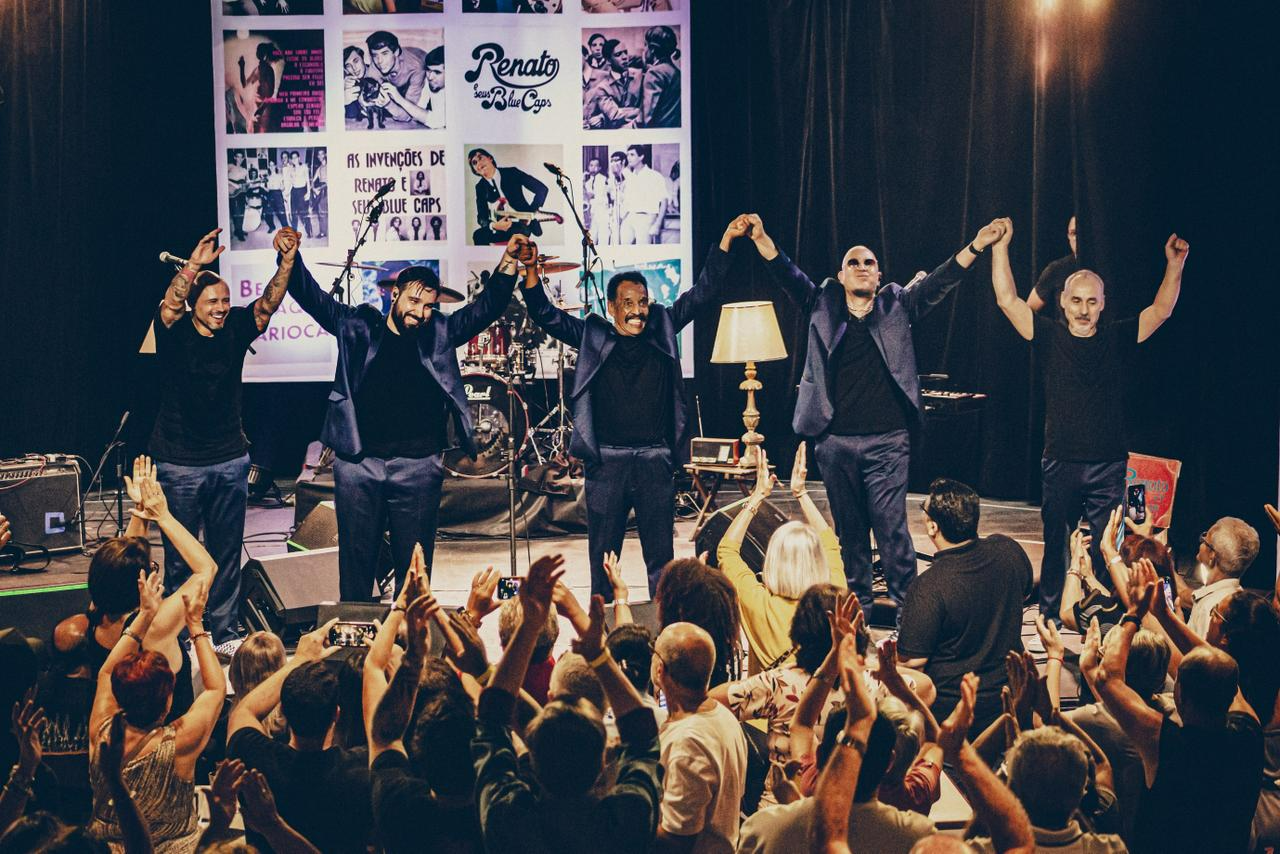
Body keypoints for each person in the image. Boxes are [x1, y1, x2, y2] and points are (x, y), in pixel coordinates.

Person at [747, 214, 1006, 616]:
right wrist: (761, 237)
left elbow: (940, 281)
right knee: (850, 535)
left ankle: (910, 614)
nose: (862, 267)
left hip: (887, 442)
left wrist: (976, 244)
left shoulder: (896, 305)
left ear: (879, 274)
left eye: (869, 262)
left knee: (891, 530)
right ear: (841, 275)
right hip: (835, 442)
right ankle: (858, 617)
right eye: (853, 262)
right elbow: (785, 272)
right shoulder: (822, 304)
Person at [284, 231, 526, 600]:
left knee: (414, 570)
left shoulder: (440, 331)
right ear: (394, 294)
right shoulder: (360, 326)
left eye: (428, 305)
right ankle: (357, 631)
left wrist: (508, 262)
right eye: (414, 301)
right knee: (356, 563)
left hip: (417, 466)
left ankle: (411, 630)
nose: (420, 312)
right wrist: (290, 259)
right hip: (360, 464)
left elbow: (486, 308)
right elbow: (314, 300)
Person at [519, 217, 741, 598]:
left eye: (642, 302)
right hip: (607, 463)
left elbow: (704, 292)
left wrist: (725, 240)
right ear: (612, 307)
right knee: (603, 561)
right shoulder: (593, 335)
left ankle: (665, 618)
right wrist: (529, 271)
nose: (638, 311)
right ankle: (601, 624)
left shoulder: (663, 326)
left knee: (662, 560)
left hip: (655, 460)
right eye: (628, 304)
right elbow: (546, 315)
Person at [989, 217, 1189, 618]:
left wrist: (1175, 265)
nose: (1083, 310)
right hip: (1060, 459)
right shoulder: (1048, 336)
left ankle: (1101, 611)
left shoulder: (1115, 338)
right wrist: (1000, 247)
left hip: (1107, 463)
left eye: (1092, 301)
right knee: (1056, 543)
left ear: (1103, 303)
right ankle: (1049, 614)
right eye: (1077, 301)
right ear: (1063, 301)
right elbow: (1007, 300)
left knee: (1105, 545)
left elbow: (1161, 310)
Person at [149, 227, 297, 650]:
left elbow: (267, 304)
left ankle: (225, 633)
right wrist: (194, 266)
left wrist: (286, 262)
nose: (221, 308)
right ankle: (179, 636)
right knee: (181, 557)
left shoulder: (235, 327)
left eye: (225, 301)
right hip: (179, 461)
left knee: (226, 554)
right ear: (194, 304)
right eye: (212, 301)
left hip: (229, 458)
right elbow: (170, 305)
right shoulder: (175, 330)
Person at [472, 555, 665, 854]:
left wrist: (528, 626)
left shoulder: (507, 820)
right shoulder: (629, 820)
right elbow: (643, 738)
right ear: (603, 760)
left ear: (531, 760)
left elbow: (491, 725)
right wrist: (599, 655)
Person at [1081, 575, 1263, 854]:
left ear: (1180, 696)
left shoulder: (1165, 742)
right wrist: (1163, 614)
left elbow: (1107, 679)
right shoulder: (1249, 731)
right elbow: (1218, 662)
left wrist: (1134, 614)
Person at [86, 570, 224, 852]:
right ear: (167, 701)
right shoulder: (180, 742)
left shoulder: (101, 732)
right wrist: (195, 625)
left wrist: (146, 615)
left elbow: (106, 672)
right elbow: (215, 689)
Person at [896, 478, 1033, 732]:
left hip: (955, 716)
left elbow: (911, 664)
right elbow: (1025, 592)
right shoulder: (1009, 551)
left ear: (933, 526)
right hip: (1010, 701)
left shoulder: (928, 587)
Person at [227, 619, 374, 853]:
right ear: (336, 714)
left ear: (283, 709)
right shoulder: (363, 772)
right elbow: (389, 736)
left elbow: (244, 711)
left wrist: (299, 660)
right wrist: (388, 663)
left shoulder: (258, 765)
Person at [717, 445, 846, 672]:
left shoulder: (758, 602)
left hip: (771, 694)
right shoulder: (835, 595)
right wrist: (801, 493)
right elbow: (830, 544)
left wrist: (757, 497)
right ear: (818, 561)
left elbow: (727, 550)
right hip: (824, 691)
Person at [1065, 626, 1172, 844]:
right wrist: (1090, 669)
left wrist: (1054, 657)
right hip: (1162, 832)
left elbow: (1046, 719)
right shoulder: (1172, 711)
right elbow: (1125, 707)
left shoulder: (1089, 719)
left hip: (1114, 835)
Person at [652, 621, 748, 853]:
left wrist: (622, 817)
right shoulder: (723, 715)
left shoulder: (688, 742)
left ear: (660, 669)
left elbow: (677, 841)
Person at [970, 727, 1126, 853]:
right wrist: (1057, 718)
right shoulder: (1110, 849)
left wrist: (998, 791)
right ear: (1080, 793)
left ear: (1012, 791)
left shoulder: (983, 850)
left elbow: (970, 761)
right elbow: (1101, 765)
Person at [1186, 516, 1259, 639]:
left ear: (1212, 556)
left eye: (1205, 540)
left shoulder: (1211, 611)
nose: (1201, 541)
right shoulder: (1235, 598)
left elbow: (1197, 651)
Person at [468, 148, 549, 245]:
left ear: (490, 158)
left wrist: (530, 213)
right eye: (474, 163)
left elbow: (541, 189)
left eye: (480, 158)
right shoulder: (480, 187)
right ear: (475, 171)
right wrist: (494, 225)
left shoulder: (512, 172)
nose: (479, 163)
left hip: (521, 225)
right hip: (498, 226)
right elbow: (482, 216)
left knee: (519, 231)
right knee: (478, 235)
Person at [365, 31, 427, 126]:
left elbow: (407, 116)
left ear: (396, 52)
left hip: (423, 72)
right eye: (375, 55)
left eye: (385, 53)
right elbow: (366, 93)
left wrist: (389, 105)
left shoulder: (416, 68)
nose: (379, 61)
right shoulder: (376, 64)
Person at [1026, 215, 1081, 318]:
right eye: (1074, 233)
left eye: (1081, 234)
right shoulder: (1057, 268)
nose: (1077, 239)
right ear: (1068, 236)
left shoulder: (1105, 267)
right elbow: (1028, 310)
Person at [381, 44, 445, 129]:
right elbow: (416, 112)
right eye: (428, 70)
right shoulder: (430, 82)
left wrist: (398, 98)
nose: (430, 77)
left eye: (437, 72)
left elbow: (436, 121)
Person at [583, 39, 641, 129]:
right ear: (608, 60)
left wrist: (608, 115)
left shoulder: (639, 76)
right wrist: (641, 111)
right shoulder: (602, 88)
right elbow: (614, 115)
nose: (625, 57)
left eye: (625, 52)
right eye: (618, 54)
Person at [619, 144, 669, 244]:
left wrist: (658, 224)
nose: (628, 158)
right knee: (624, 249)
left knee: (643, 250)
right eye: (627, 155)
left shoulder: (654, 176)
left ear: (641, 157)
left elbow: (664, 201)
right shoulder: (629, 178)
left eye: (632, 155)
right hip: (629, 216)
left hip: (646, 217)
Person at [640, 26, 680, 128]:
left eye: (645, 45)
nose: (644, 50)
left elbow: (646, 120)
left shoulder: (654, 73)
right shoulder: (676, 72)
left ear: (652, 49)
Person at [283, 151, 312, 238]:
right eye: (292, 158)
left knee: (304, 214)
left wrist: (308, 192)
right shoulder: (291, 169)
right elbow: (291, 182)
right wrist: (287, 192)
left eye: (296, 157)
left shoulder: (304, 167)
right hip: (294, 192)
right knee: (293, 213)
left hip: (302, 191)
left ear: (299, 158)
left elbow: (308, 181)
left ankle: (309, 232)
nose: (294, 159)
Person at [227, 151, 249, 242]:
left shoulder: (244, 170)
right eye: (238, 157)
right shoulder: (230, 166)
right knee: (237, 212)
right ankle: (239, 233)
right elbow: (222, 177)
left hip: (241, 194)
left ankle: (239, 230)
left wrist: (248, 185)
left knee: (241, 213)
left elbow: (245, 183)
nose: (239, 159)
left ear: (243, 159)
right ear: (235, 157)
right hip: (232, 193)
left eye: (241, 157)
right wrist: (234, 184)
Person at [309, 148, 327, 239]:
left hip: (327, 189)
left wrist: (319, 189)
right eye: (318, 154)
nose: (320, 156)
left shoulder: (329, 166)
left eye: (322, 154)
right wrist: (313, 188)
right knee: (321, 212)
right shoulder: (319, 168)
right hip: (321, 190)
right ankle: (323, 232)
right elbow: (313, 180)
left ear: (325, 154)